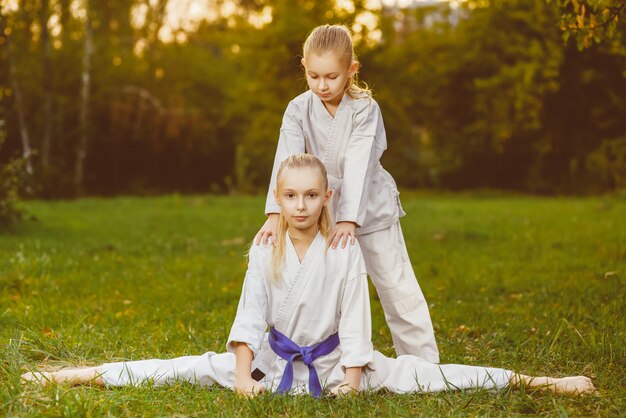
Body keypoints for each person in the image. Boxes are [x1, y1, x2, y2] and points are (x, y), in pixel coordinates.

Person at [22, 154, 595, 398]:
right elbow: (248, 315)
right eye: (290, 195)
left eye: (311, 195)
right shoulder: (265, 244)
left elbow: (355, 315)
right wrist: (245, 377)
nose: (300, 205)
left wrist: (351, 376)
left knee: (424, 377)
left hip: (335, 362)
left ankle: (541, 383)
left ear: (327, 197)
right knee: (186, 368)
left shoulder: (342, 247)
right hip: (273, 362)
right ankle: (77, 375)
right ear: (278, 198)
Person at [254, 24, 439, 363]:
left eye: (331, 77)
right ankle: (333, 360)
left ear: (351, 70)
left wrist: (349, 220)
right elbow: (287, 162)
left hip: (370, 209)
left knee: (396, 287)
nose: (322, 86)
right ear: (303, 69)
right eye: (313, 76)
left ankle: (424, 364)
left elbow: (359, 164)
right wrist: (275, 214)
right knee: (328, 290)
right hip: (318, 212)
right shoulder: (297, 109)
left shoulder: (365, 109)